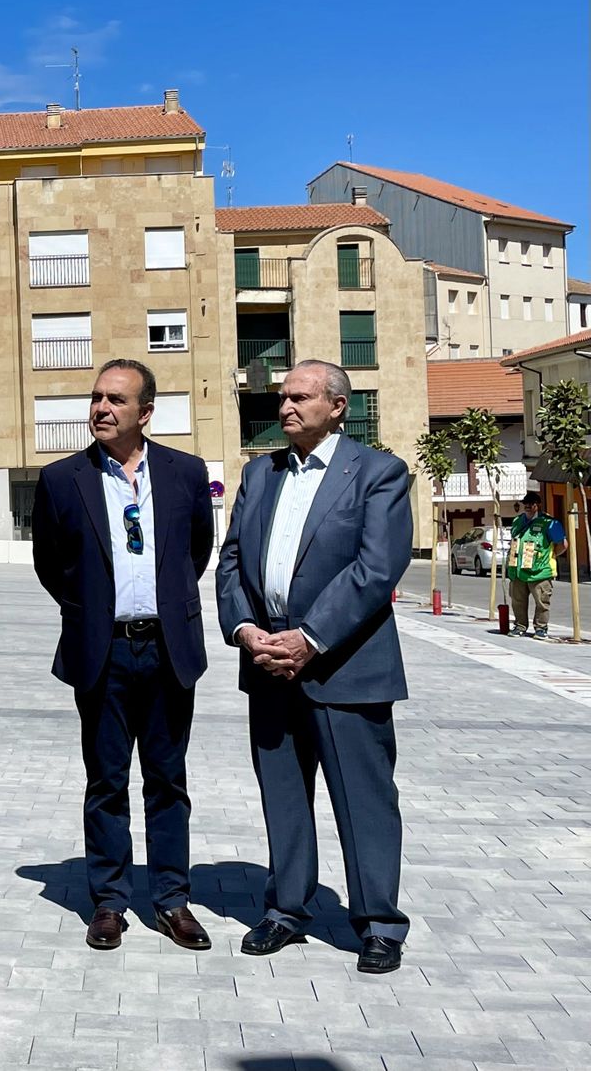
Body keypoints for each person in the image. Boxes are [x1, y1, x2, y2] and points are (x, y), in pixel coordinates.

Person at [216, 359, 412, 974]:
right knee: (283, 797)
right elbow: (231, 560)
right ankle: (286, 909)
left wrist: (310, 637)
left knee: (364, 800)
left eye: (300, 397)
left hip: (344, 667)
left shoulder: (377, 472)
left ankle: (378, 924)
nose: (285, 407)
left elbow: (376, 569)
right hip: (268, 664)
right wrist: (245, 629)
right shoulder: (259, 473)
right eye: (283, 398)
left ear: (337, 406)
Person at [31, 359, 214, 951]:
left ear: (146, 412)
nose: (101, 409)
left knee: (167, 780)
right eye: (96, 398)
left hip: (167, 649)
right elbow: (50, 564)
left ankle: (172, 900)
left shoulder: (186, 473)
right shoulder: (62, 479)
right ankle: (108, 901)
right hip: (102, 652)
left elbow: (196, 551)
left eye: (116, 400)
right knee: (106, 781)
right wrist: (90, 610)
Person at [506, 491, 567, 639]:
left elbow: (563, 545)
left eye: (531, 503)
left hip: (540, 571)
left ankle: (541, 628)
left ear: (538, 505)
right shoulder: (517, 521)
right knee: (517, 601)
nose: (527, 506)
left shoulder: (550, 523)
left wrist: (550, 556)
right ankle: (520, 626)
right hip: (518, 570)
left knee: (542, 602)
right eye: (525, 503)